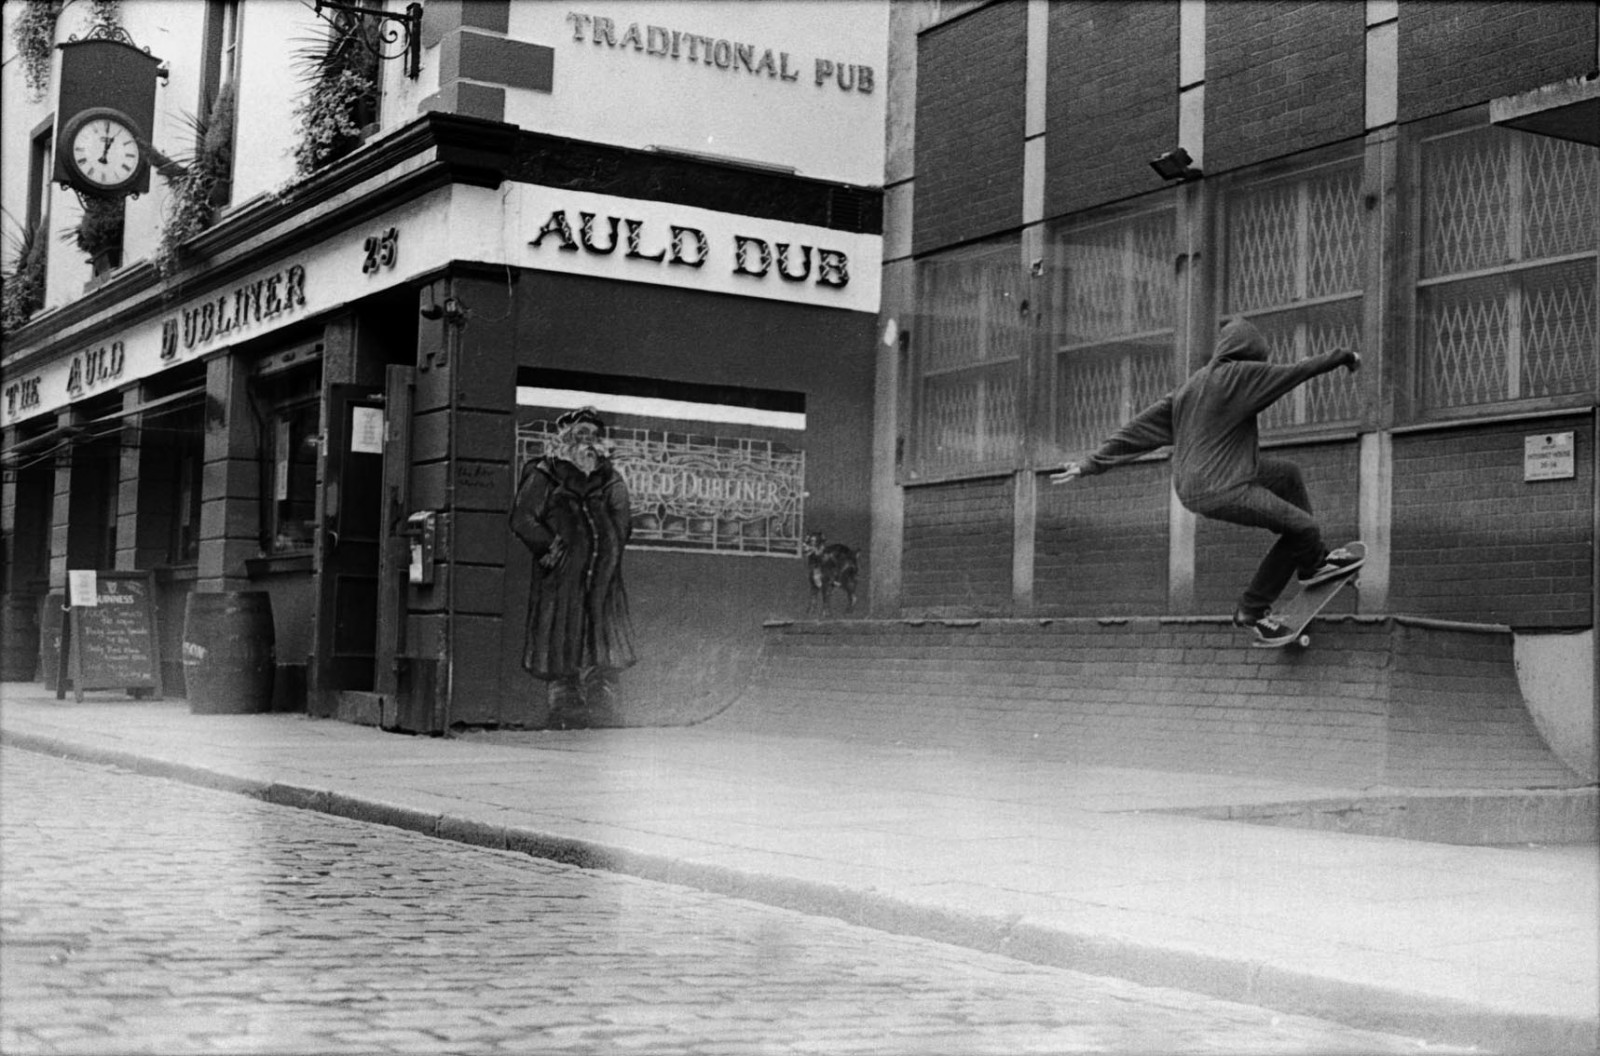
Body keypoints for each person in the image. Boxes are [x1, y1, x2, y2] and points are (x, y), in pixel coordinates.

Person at [1052, 318, 1364, 644]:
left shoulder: (1189, 389)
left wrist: (1091, 463)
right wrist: (1347, 357)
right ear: (1249, 354)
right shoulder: (1240, 374)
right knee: (1304, 528)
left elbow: (1138, 429)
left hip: (1196, 486)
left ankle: (1311, 560)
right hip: (1224, 487)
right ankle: (1256, 606)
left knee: (1286, 475)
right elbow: (1297, 372)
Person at [510, 406, 636, 728]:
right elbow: (523, 519)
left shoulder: (608, 477)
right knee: (561, 638)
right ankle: (565, 705)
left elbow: (622, 520)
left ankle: (602, 701)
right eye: (581, 434)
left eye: (594, 435)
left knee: (600, 640)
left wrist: (609, 549)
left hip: (603, 579)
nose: (588, 442)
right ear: (565, 438)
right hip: (562, 579)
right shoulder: (544, 473)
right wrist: (554, 552)